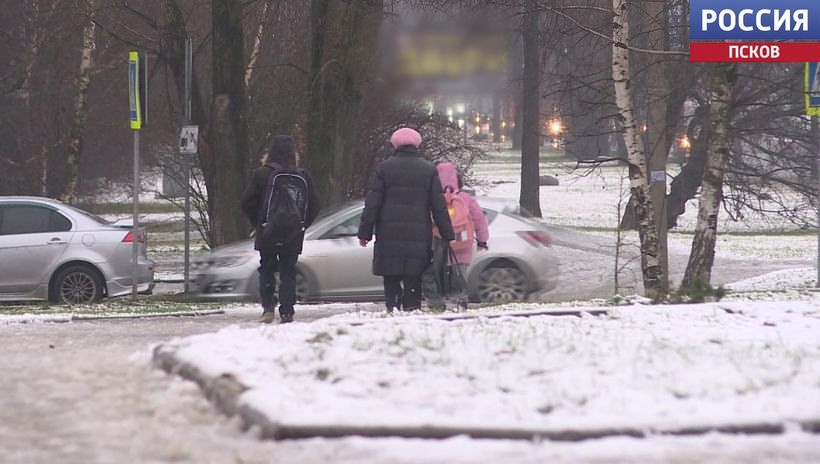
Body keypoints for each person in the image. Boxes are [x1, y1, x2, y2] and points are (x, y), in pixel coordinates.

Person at [357, 128, 455, 312]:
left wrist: (365, 233)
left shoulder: (384, 168)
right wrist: (447, 233)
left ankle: (392, 309)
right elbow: (438, 206)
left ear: (395, 145)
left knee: (391, 277)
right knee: (413, 277)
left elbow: (373, 204)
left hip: (388, 234)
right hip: (418, 235)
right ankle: (411, 310)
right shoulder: (428, 169)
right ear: (417, 145)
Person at [241, 135, 320, 324]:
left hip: (267, 230)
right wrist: (302, 224)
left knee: (266, 268)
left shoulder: (261, 173)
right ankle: (287, 312)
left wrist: (257, 222)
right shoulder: (303, 175)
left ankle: (268, 308)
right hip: (293, 233)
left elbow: (246, 202)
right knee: (288, 270)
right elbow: (315, 205)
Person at [423, 162, 489, 311]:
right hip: (462, 244)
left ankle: (437, 305)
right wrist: (482, 240)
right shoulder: (466, 198)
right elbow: (479, 218)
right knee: (458, 276)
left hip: (439, 245)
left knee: (433, 276)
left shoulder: (432, 198)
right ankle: (460, 303)